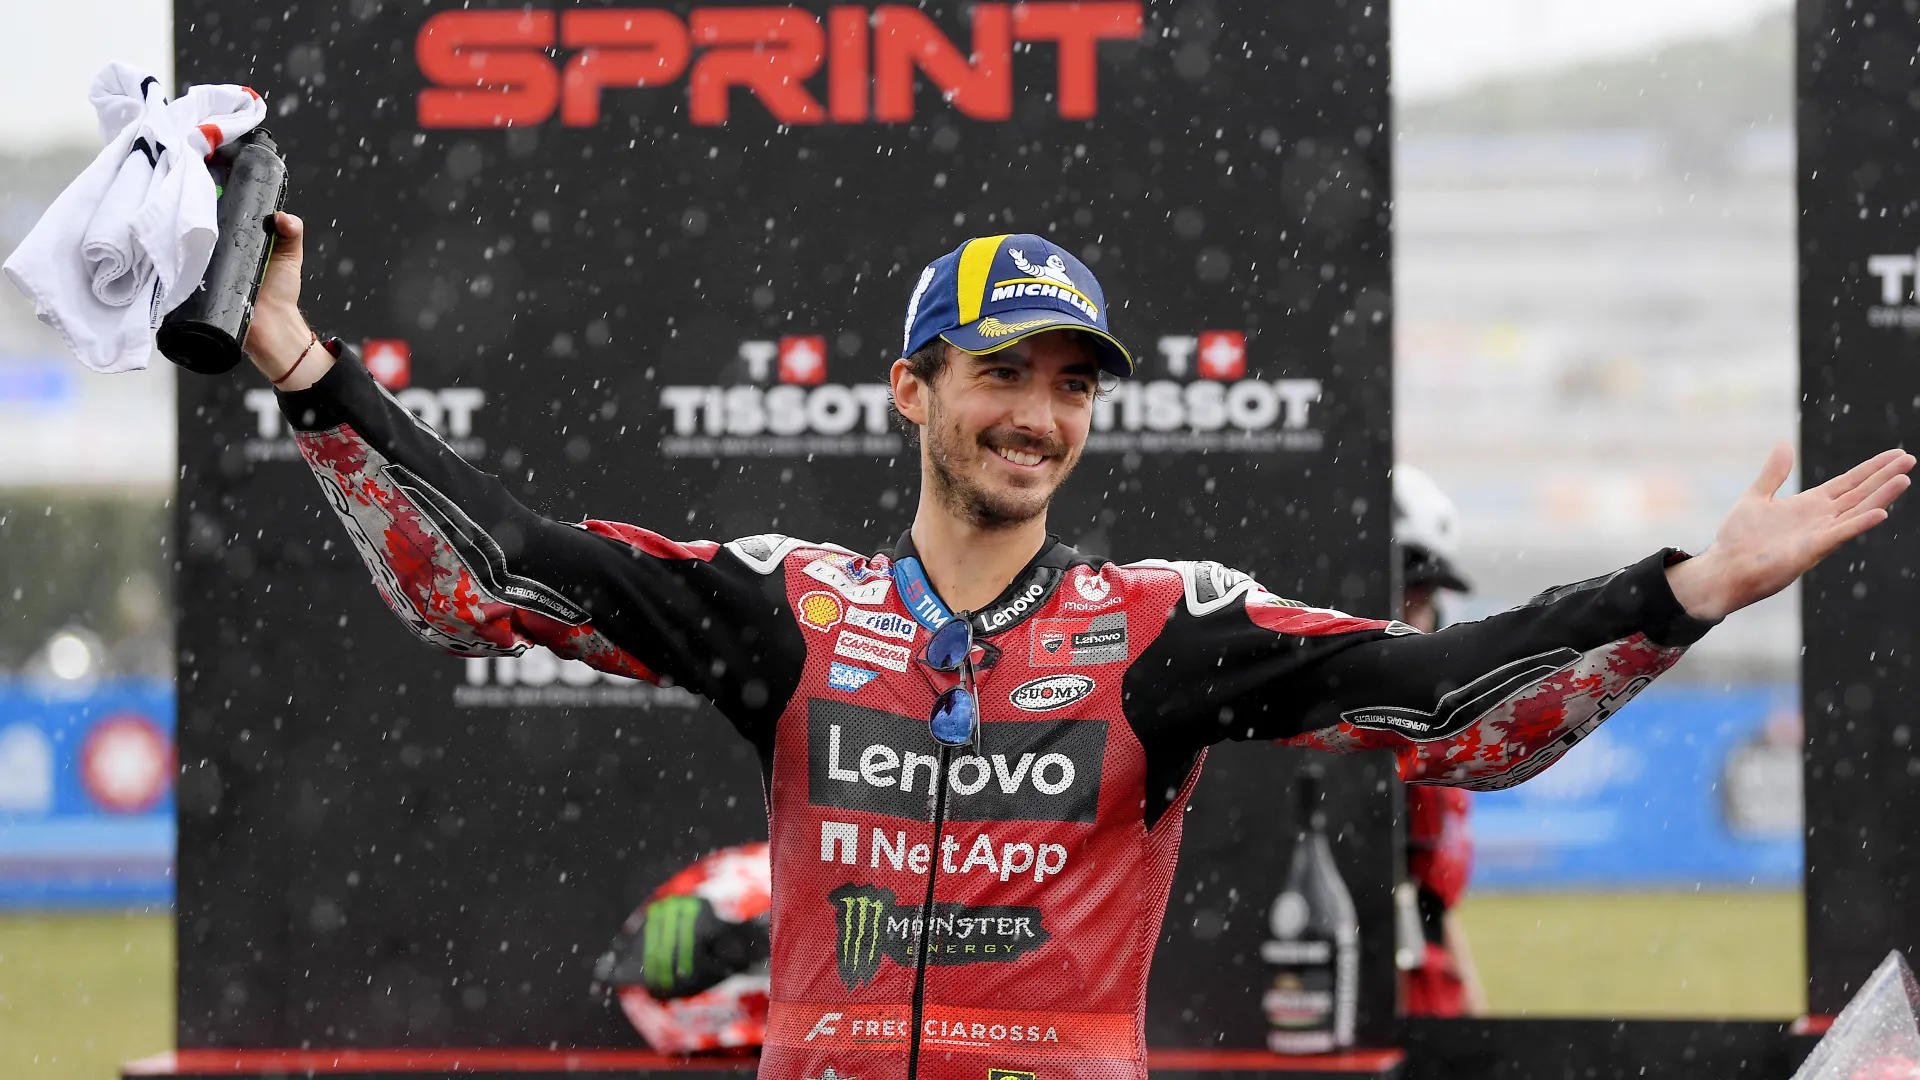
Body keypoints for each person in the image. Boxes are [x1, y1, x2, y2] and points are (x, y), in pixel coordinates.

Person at [243, 213, 1910, 1080]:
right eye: (1001, 373)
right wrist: (304, 362)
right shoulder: (789, 608)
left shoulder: (1164, 630)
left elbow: (1454, 712)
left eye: (1070, 384)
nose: (1037, 415)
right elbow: (488, 579)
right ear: (911, 390)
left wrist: (1681, 591)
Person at [1390, 465, 1483, 1017]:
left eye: (1423, 599)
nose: (1419, 619)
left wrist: (1474, 1020)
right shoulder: (1350, 742)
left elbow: (1431, 909)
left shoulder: (1425, 727)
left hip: (1432, 1009)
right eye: (1407, 595)